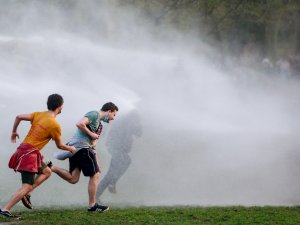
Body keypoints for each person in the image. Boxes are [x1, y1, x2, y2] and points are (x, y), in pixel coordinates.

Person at [0, 94, 76, 219]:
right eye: (62, 104)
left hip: (26, 151)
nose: (63, 107)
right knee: (27, 185)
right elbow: (60, 146)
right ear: (59, 106)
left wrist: (14, 131)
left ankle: (26, 193)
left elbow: (18, 116)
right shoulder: (55, 125)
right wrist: (71, 148)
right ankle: (6, 209)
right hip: (29, 154)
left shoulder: (39, 114)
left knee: (46, 171)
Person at [50, 102, 118, 212]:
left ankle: (51, 167)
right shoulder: (94, 114)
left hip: (77, 149)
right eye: (114, 115)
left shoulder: (99, 126)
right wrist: (91, 134)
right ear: (109, 111)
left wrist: (97, 162)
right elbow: (80, 123)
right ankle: (92, 205)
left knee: (73, 178)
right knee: (95, 174)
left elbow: (93, 145)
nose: (113, 118)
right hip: (82, 148)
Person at [96, 110, 142, 201]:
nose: (136, 121)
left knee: (126, 161)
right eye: (135, 119)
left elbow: (138, 134)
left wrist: (138, 126)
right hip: (114, 147)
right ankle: (97, 194)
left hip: (120, 150)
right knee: (112, 172)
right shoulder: (122, 122)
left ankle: (113, 182)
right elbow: (114, 135)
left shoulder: (131, 124)